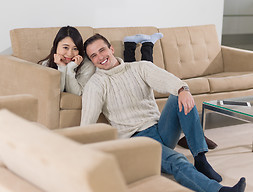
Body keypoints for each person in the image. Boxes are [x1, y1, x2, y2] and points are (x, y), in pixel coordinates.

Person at [81, 33, 246, 192]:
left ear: (111, 49)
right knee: (177, 160)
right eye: (94, 55)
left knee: (179, 94)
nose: (100, 57)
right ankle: (219, 191)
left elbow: (167, 80)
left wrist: (183, 89)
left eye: (102, 50)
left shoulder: (140, 67)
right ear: (92, 61)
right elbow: (86, 126)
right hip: (136, 140)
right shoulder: (95, 85)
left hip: (161, 129)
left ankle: (200, 159)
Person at [38, 26, 95, 96]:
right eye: (65, 47)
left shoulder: (87, 66)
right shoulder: (46, 64)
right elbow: (57, 93)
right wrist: (61, 67)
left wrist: (70, 69)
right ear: (56, 46)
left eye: (75, 49)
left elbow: (76, 94)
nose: (70, 54)